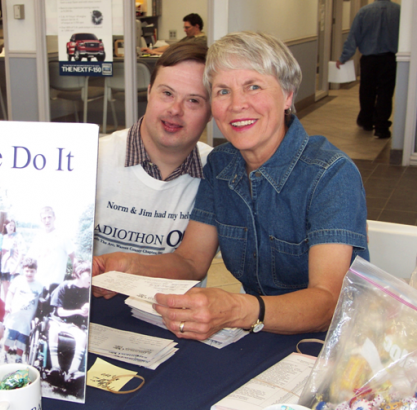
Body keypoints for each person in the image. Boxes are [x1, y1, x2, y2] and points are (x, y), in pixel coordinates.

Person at [94, 31, 369, 339]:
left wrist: (238, 309)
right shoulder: (220, 165)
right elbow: (190, 261)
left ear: (288, 95)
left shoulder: (330, 173)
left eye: (253, 87)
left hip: (332, 342)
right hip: (259, 332)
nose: (237, 105)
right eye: (223, 91)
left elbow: (329, 303)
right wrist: (126, 264)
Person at [94, 41, 212, 257]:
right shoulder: (94, 158)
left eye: (193, 100)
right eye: (167, 93)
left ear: (211, 112)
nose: (175, 110)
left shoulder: (216, 173)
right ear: (149, 92)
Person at [336, 0, 400, 140]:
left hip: (369, 60)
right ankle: (381, 128)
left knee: (367, 91)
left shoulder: (364, 12)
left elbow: (353, 37)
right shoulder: (399, 11)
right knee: (385, 93)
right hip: (390, 59)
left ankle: (367, 121)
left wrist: (343, 57)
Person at [48, 261, 91, 381]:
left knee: (83, 336)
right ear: (80, 274)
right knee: (53, 330)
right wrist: (78, 311)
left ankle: (73, 371)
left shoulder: (88, 291)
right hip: (57, 321)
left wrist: (88, 308)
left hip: (73, 325)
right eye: (90, 275)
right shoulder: (64, 287)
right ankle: (55, 367)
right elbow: (60, 312)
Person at [3, 258, 43, 364]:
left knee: (22, 339)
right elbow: (10, 293)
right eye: (27, 271)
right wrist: (8, 304)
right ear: (23, 270)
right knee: (9, 336)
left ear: (36, 271)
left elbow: (41, 302)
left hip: (27, 319)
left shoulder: (39, 285)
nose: (29, 273)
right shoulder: (18, 280)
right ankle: (5, 354)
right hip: (15, 316)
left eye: (32, 271)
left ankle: (18, 357)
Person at [26, 207, 75, 290]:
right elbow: (30, 259)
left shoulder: (62, 236)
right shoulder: (38, 237)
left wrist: (75, 271)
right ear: (41, 220)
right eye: (44, 218)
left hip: (55, 284)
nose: (47, 220)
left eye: (49, 217)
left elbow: (73, 257)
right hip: (38, 282)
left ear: (54, 218)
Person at [141, 13, 207, 55]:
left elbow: (179, 54)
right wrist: (152, 50)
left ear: (197, 26)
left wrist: (155, 53)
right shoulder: (188, 38)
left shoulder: (201, 41)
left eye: (187, 28)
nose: (185, 30)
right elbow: (171, 47)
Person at [0, 218, 26, 302]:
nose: (11, 227)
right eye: (10, 225)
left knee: (13, 293)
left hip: (14, 268)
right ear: (5, 226)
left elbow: (22, 252)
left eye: (13, 225)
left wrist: (16, 267)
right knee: (5, 293)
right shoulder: (3, 237)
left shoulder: (18, 236)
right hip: (4, 268)